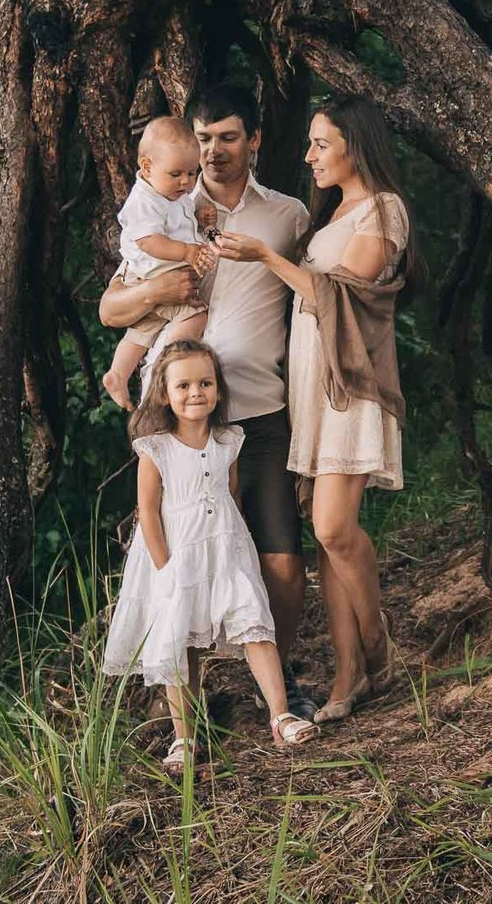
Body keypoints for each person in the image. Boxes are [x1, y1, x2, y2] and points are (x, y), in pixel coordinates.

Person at [99, 84, 317, 722]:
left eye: (227, 137)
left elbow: (314, 301)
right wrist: (157, 290)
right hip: (180, 419)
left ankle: (278, 684)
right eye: (202, 138)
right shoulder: (166, 207)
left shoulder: (288, 216)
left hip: (258, 406)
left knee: (281, 556)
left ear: (252, 140)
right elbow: (113, 308)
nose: (213, 151)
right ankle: (183, 710)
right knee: (180, 559)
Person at [214, 96, 415, 724]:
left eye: (321, 144)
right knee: (326, 541)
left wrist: (269, 258)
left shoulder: (385, 210)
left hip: (349, 387)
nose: (309, 156)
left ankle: (379, 646)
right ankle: (349, 676)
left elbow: (344, 297)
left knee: (332, 528)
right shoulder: (331, 217)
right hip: (309, 391)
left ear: (356, 144)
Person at [100, 339, 319, 774]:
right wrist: (166, 568)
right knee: (183, 643)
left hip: (226, 550)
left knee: (256, 626)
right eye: (184, 385)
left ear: (218, 389)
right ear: (164, 393)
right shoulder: (155, 449)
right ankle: (185, 738)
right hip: (176, 556)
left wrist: (237, 546)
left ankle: (281, 716)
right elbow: (148, 511)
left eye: (205, 383)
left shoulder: (228, 441)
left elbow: (232, 494)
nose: (195, 392)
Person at [100, 116, 215, 411]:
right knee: (195, 316)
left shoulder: (172, 192)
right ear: (147, 167)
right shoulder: (145, 200)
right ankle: (164, 364)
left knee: (145, 327)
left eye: (192, 173)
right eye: (177, 173)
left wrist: (199, 217)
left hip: (157, 276)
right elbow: (150, 242)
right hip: (152, 273)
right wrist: (188, 252)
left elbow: (181, 218)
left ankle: (118, 373)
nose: (186, 182)